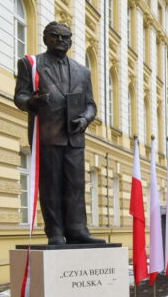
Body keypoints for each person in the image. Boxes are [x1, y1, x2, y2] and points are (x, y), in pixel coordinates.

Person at [13, 22, 103, 245]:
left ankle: (77, 229)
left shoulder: (82, 71)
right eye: (55, 36)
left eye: (66, 37)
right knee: (51, 185)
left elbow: (90, 104)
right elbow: (20, 97)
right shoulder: (31, 64)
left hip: (75, 137)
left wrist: (85, 119)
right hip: (47, 134)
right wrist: (31, 102)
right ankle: (54, 232)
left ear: (71, 41)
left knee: (75, 186)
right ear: (45, 38)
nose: (61, 41)